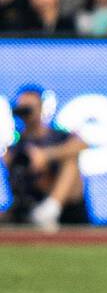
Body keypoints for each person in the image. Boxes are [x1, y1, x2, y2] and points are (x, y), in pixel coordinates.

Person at [2, 85, 89, 231]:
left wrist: (45, 156)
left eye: (30, 107)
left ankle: (51, 209)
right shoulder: (16, 143)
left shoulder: (58, 135)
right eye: (23, 108)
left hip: (67, 207)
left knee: (71, 162)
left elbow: (81, 145)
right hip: (31, 200)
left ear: (41, 107)